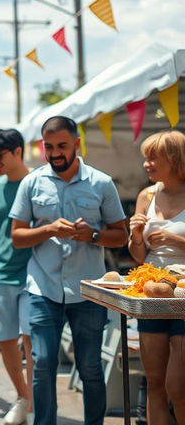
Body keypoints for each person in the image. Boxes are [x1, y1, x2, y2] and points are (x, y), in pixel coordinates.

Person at [10, 116, 128, 425]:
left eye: (62, 146)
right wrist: (48, 229)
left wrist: (91, 235)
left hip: (88, 289)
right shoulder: (31, 182)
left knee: (89, 366)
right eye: (49, 147)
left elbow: (121, 234)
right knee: (44, 361)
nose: (55, 153)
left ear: (77, 144)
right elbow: (17, 236)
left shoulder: (101, 183)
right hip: (43, 289)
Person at [128, 130, 185, 425]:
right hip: (151, 291)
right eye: (146, 158)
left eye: (153, 158)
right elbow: (138, 256)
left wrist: (178, 243)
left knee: (179, 386)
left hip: (183, 294)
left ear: (174, 159)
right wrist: (136, 235)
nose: (146, 164)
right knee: (154, 384)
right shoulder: (146, 195)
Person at [0, 129, 33, 425]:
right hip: (1, 275)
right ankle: (22, 396)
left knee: (31, 340)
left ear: (17, 152)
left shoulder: (37, 183)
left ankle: (32, 399)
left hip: (33, 276)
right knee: (6, 340)